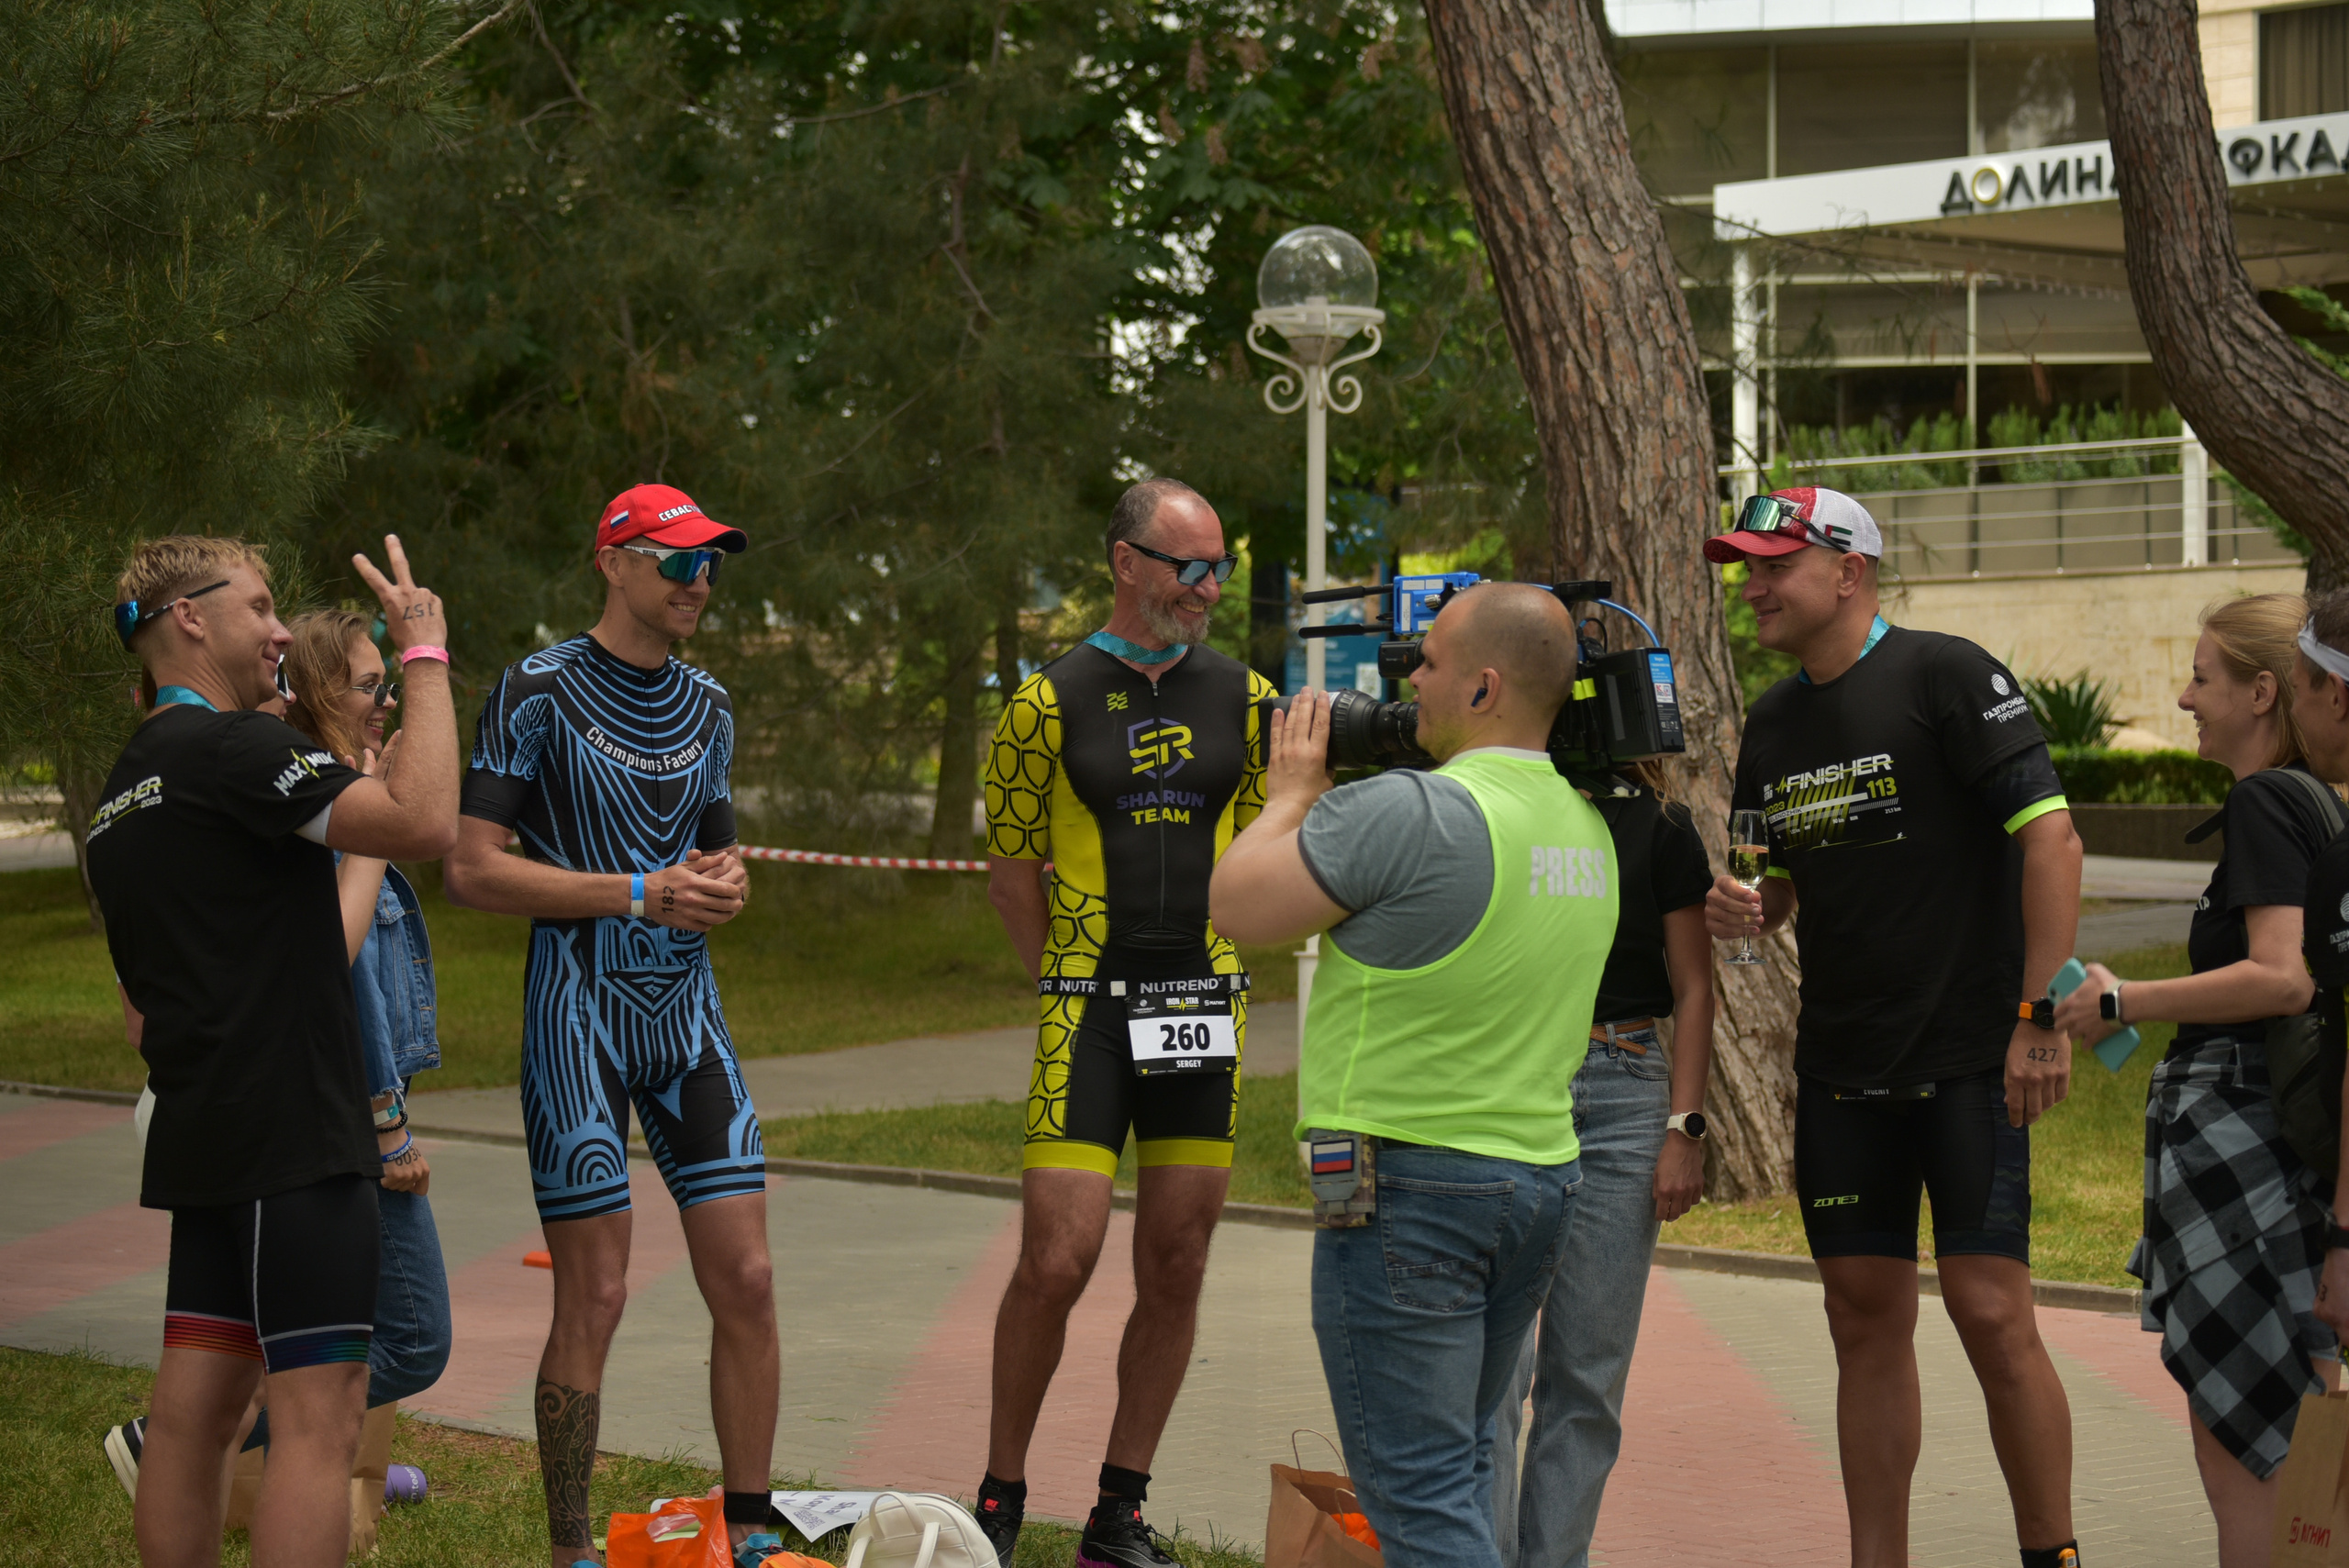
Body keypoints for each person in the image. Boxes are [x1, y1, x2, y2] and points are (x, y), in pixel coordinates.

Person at [1701, 487, 2084, 1568]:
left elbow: (2052, 841)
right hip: (1841, 1065)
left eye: (1773, 565)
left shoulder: (1944, 674)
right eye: (1746, 567)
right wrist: (1749, 906)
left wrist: (2038, 1019)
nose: (1754, 587)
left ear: (1848, 570)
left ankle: (2049, 1553)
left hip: (1968, 1053)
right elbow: (1772, 887)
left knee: (1989, 1310)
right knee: (1860, 1313)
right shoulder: (1772, 723)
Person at [1211, 583, 1619, 1568]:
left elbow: (1238, 906)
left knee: (1421, 1497)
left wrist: (1289, 794)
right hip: (1536, 1184)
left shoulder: (1413, 810)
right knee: (1464, 1462)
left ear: (1482, 686)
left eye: (1425, 661)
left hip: (1409, 1194)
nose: (1408, 682)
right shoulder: (1588, 831)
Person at [88, 533, 459, 1568]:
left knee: (196, 1412)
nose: (282, 630)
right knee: (320, 1417)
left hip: (207, 1137)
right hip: (292, 1139)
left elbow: (143, 1013)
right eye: (258, 606)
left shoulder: (124, 791)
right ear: (190, 619)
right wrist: (424, 654)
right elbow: (422, 817)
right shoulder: (233, 749)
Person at [440, 484, 776, 1568]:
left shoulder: (712, 704)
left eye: (710, 563)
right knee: (597, 1286)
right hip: (574, 1013)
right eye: (677, 562)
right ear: (613, 561)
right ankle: (571, 1545)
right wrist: (640, 892)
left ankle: (754, 1526)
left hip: (687, 1018)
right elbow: (471, 868)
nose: (699, 581)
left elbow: (713, 856)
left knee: (750, 1277)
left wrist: (725, 885)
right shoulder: (536, 688)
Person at [973, 477, 1277, 1568]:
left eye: (1218, 569)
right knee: (1058, 1256)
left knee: (1179, 1257)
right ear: (1125, 562)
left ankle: (1119, 1509)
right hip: (1089, 1012)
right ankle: (999, 1498)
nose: (1206, 588)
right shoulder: (1044, 701)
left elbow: (1258, 857)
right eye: (1187, 566)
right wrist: (1062, 981)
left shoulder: (1247, 696)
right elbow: (1011, 875)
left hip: (1200, 1003)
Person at [2055, 593, 2341, 1566]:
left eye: (2201, 677)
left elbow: (2281, 972)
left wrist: (2122, 1000)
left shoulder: (2266, 802)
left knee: (2248, 1457)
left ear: (2265, 691)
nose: (2182, 696)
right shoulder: (2322, 805)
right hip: (2277, 1161)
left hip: (2236, 1162)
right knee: (2287, 1440)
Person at [1484, 757, 1716, 1567]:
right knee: (1494, 1375)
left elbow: (1693, 986)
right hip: (1517, 1080)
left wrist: (1684, 1127)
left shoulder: (1662, 823)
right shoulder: (1494, 803)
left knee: (1586, 1375)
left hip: (1627, 1090)